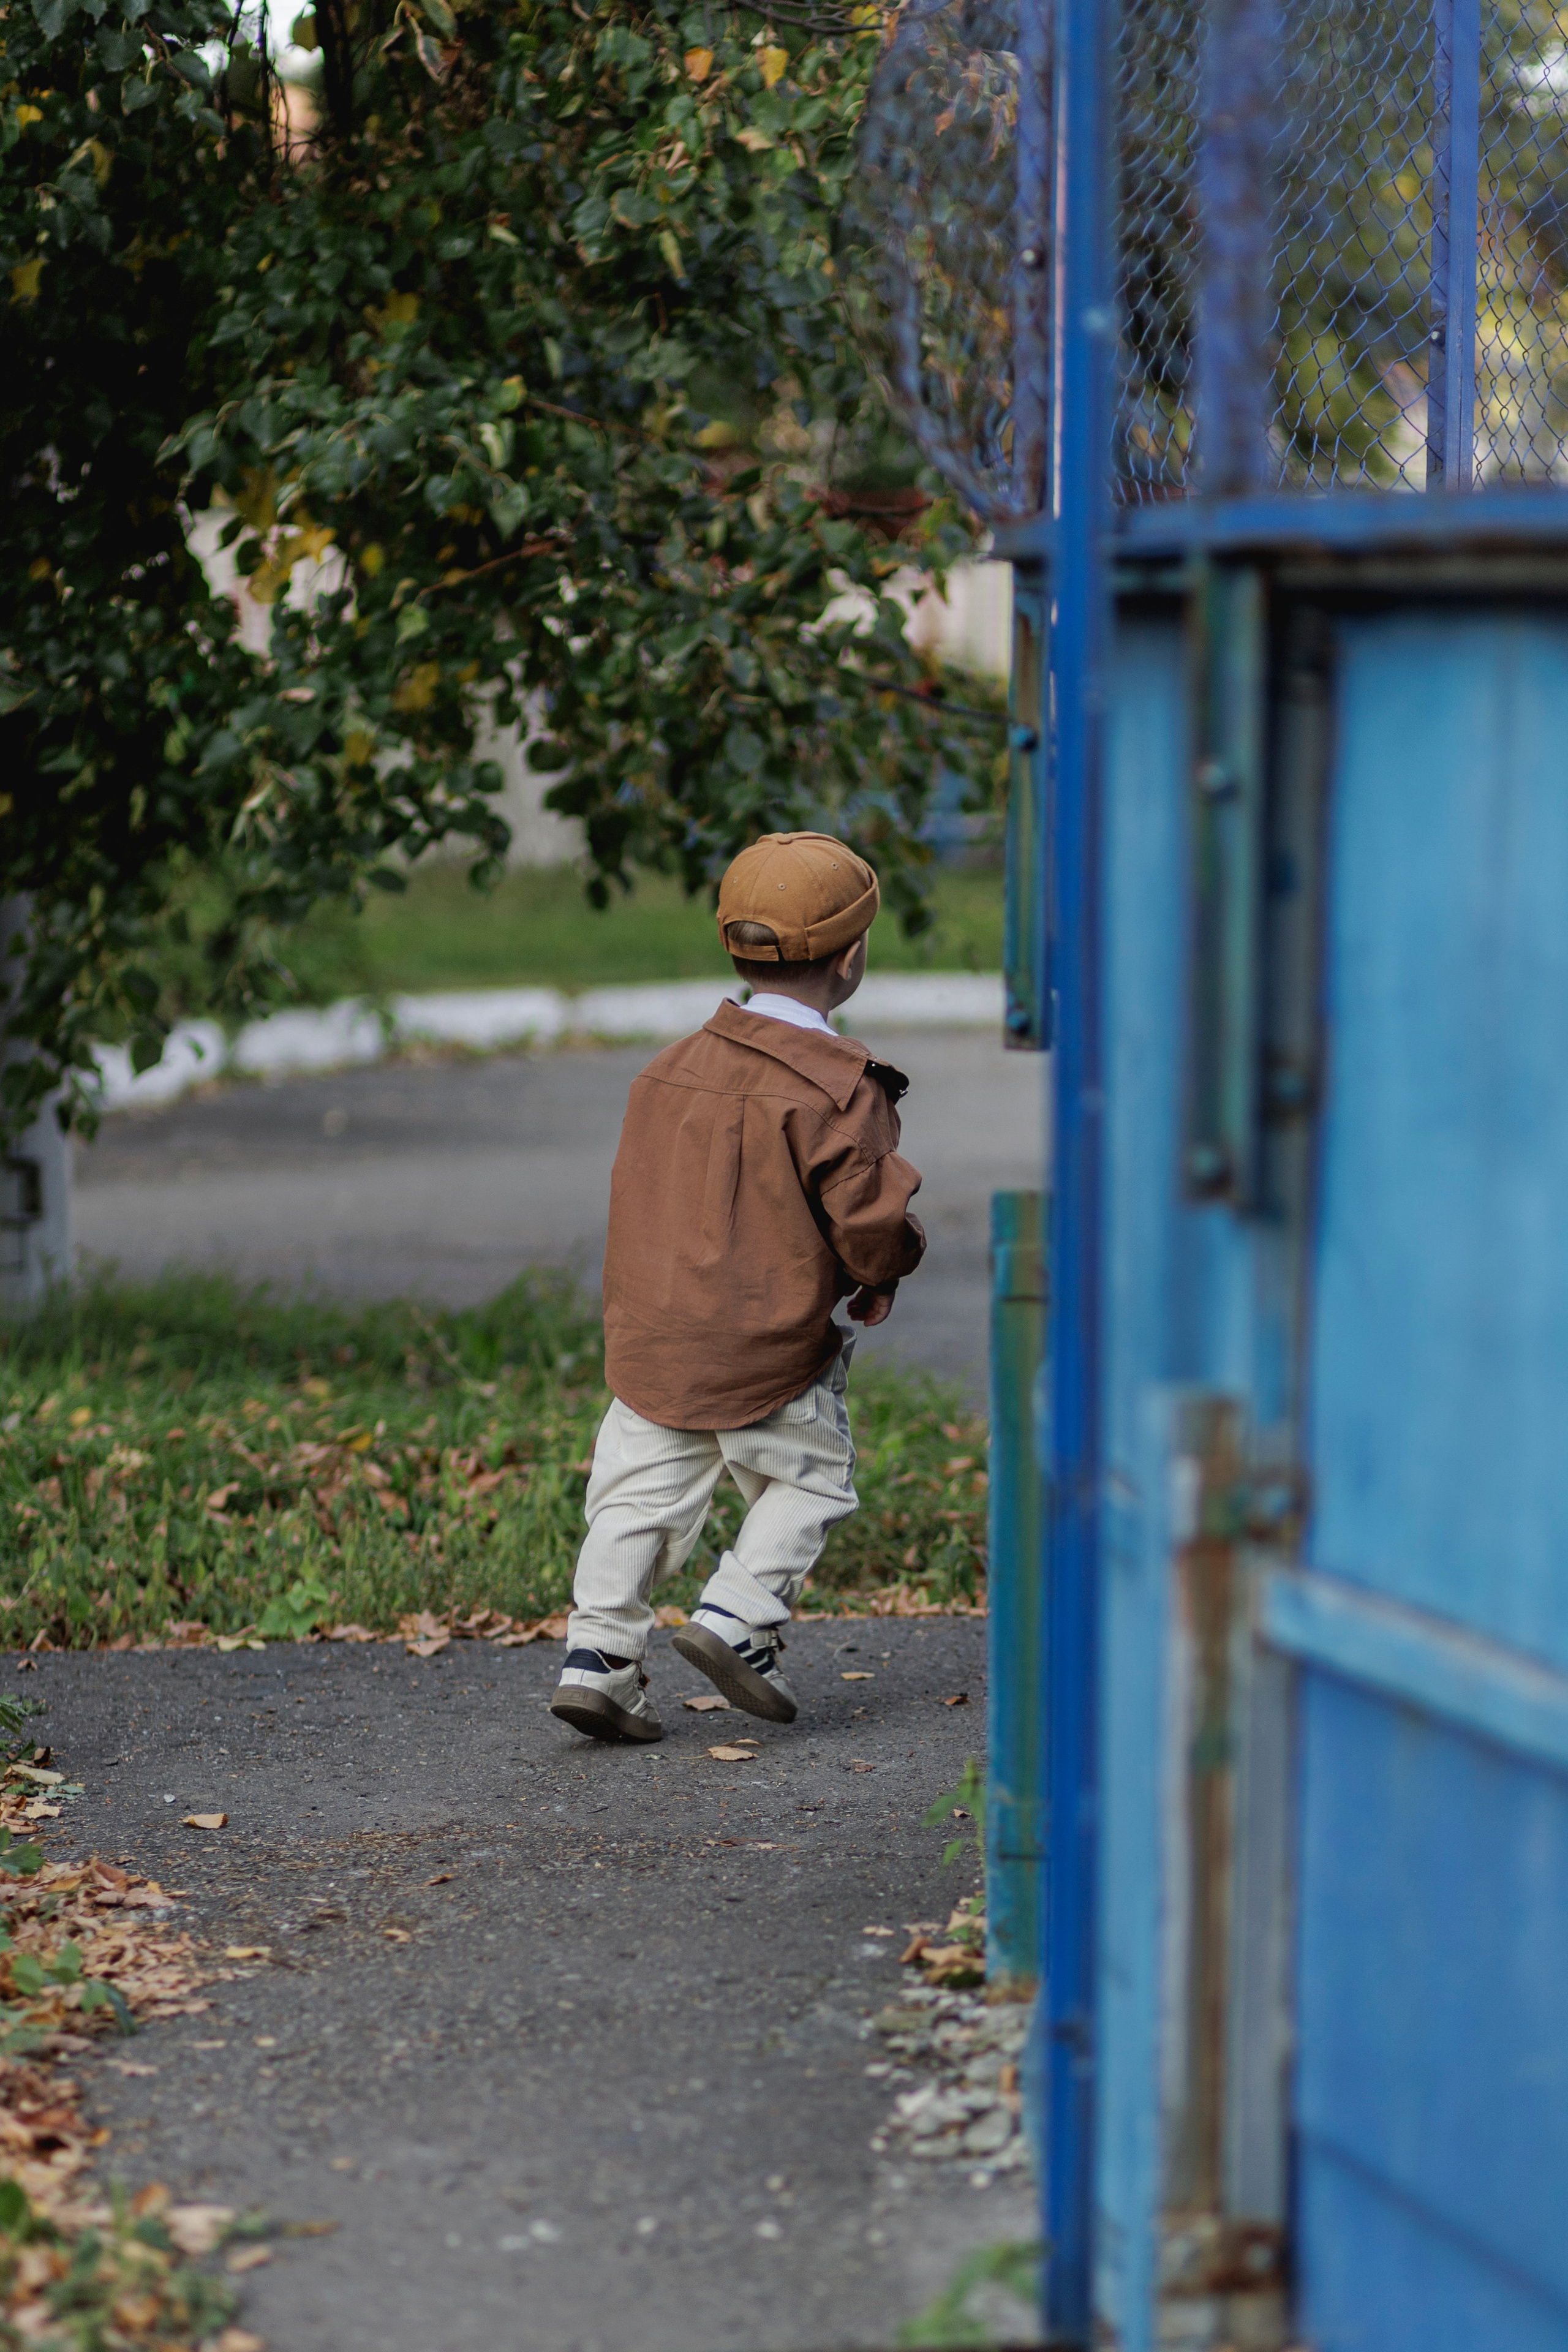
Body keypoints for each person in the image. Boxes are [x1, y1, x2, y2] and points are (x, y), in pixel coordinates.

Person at [549, 831, 926, 1744]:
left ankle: (597, 1660)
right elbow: (870, 1218)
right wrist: (882, 1271)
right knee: (809, 1483)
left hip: (654, 1345)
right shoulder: (839, 1091)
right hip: (768, 1348)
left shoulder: (666, 1070)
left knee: (634, 1502)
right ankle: (737, 1620)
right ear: (851, 958)